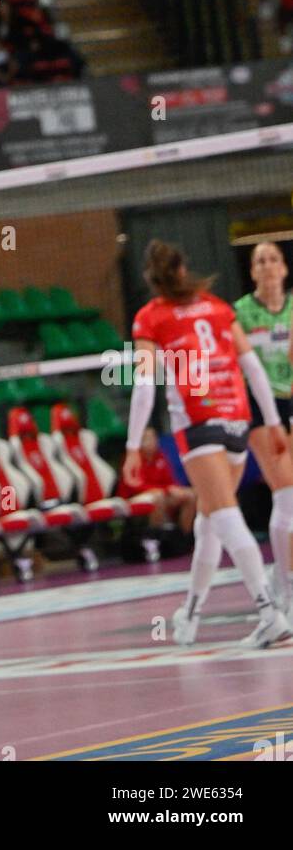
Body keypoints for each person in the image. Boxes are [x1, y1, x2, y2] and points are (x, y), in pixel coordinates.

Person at [123, 239, 290, 648]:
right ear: (183, 271)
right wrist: (271, 422)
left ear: (152, 279)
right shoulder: (217, 307)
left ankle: (270, 612)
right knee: (210, 520)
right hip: (237, 419)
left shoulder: (151, 318)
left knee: (227, 517)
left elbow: (144, 387)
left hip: (199, 424)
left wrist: (131, 446)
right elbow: (251, 366)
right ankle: (191, 612)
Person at [234, 241, 293, 617]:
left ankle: (280, 575)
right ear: (252, 272)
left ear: (284, 269)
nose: (268, 266)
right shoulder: (239, 312)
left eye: (273, 259)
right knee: (285, 493)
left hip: (290, 399)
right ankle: (284, 589)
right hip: (257, 406)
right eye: (260, 261)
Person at [118, 426, 197, 535]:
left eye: (153, 438)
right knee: (158, 497)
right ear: (139, 442)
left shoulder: (160, 456)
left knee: (190, 495)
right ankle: (158, 536)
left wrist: (175, 488)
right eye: (147, 439)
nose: (152, 442)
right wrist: (166, 489)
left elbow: (169, 479)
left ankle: (184, 536)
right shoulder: (132, 459)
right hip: (134, 496)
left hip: (162, 493)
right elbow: (135, 485)